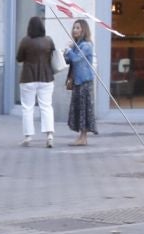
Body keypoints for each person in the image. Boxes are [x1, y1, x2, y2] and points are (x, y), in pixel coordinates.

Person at [15, 15, 56, 147]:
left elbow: (19, 58)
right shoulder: (48, 41)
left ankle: (28, 137)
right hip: (46, 77)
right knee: (46, 106)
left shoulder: (26, 41)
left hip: (28, 78)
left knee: (27, 108)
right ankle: (49, 135)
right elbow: (53, 56)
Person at [64, 19, 96, 147]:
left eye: (78, 28)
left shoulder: (86, 45)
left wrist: (69, 51)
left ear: (84, 30)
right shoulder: (77, 45)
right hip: (77, 81)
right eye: (74, 28)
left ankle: (84, 137)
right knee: (78, 109)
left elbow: (77, 59)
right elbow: (69, 61)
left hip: (85, 82)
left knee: (84, 109)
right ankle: (81, 137)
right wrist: (67, 53)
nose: (75, 30)